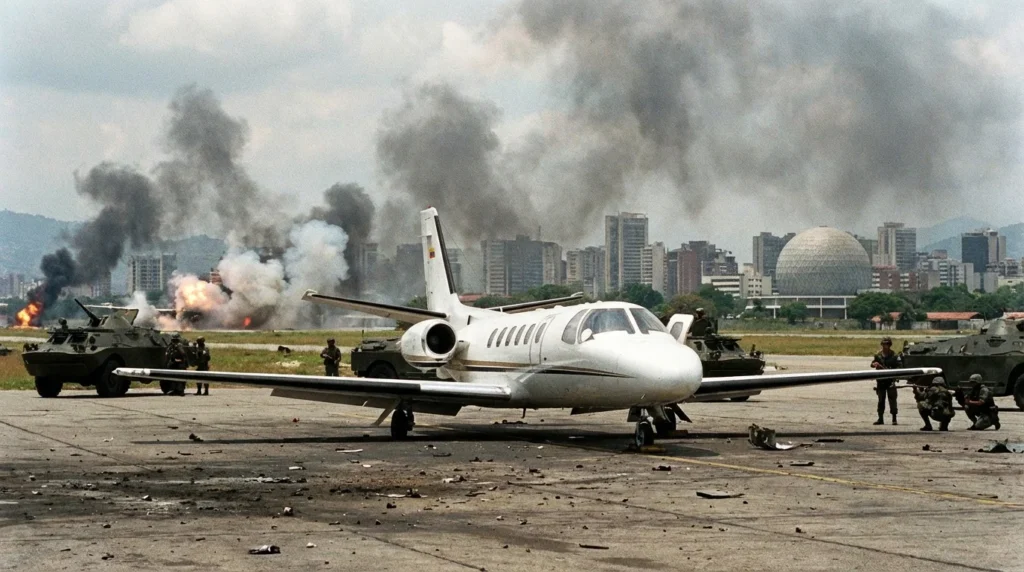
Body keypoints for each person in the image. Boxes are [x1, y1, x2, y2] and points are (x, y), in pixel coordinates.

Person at [870, 337, 901, 425]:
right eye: (883, 344)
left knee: (892, 400)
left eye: (887, 344)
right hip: (881, 381)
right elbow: (872, 364)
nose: (885, 346)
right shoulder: (878, 355)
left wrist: (892, 372)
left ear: (890, 345)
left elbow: (900, 367)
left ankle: (894, 419)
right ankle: (880, 418)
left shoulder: (894, 356)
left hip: (890, 380)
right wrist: (874, 364)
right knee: (881, 400)